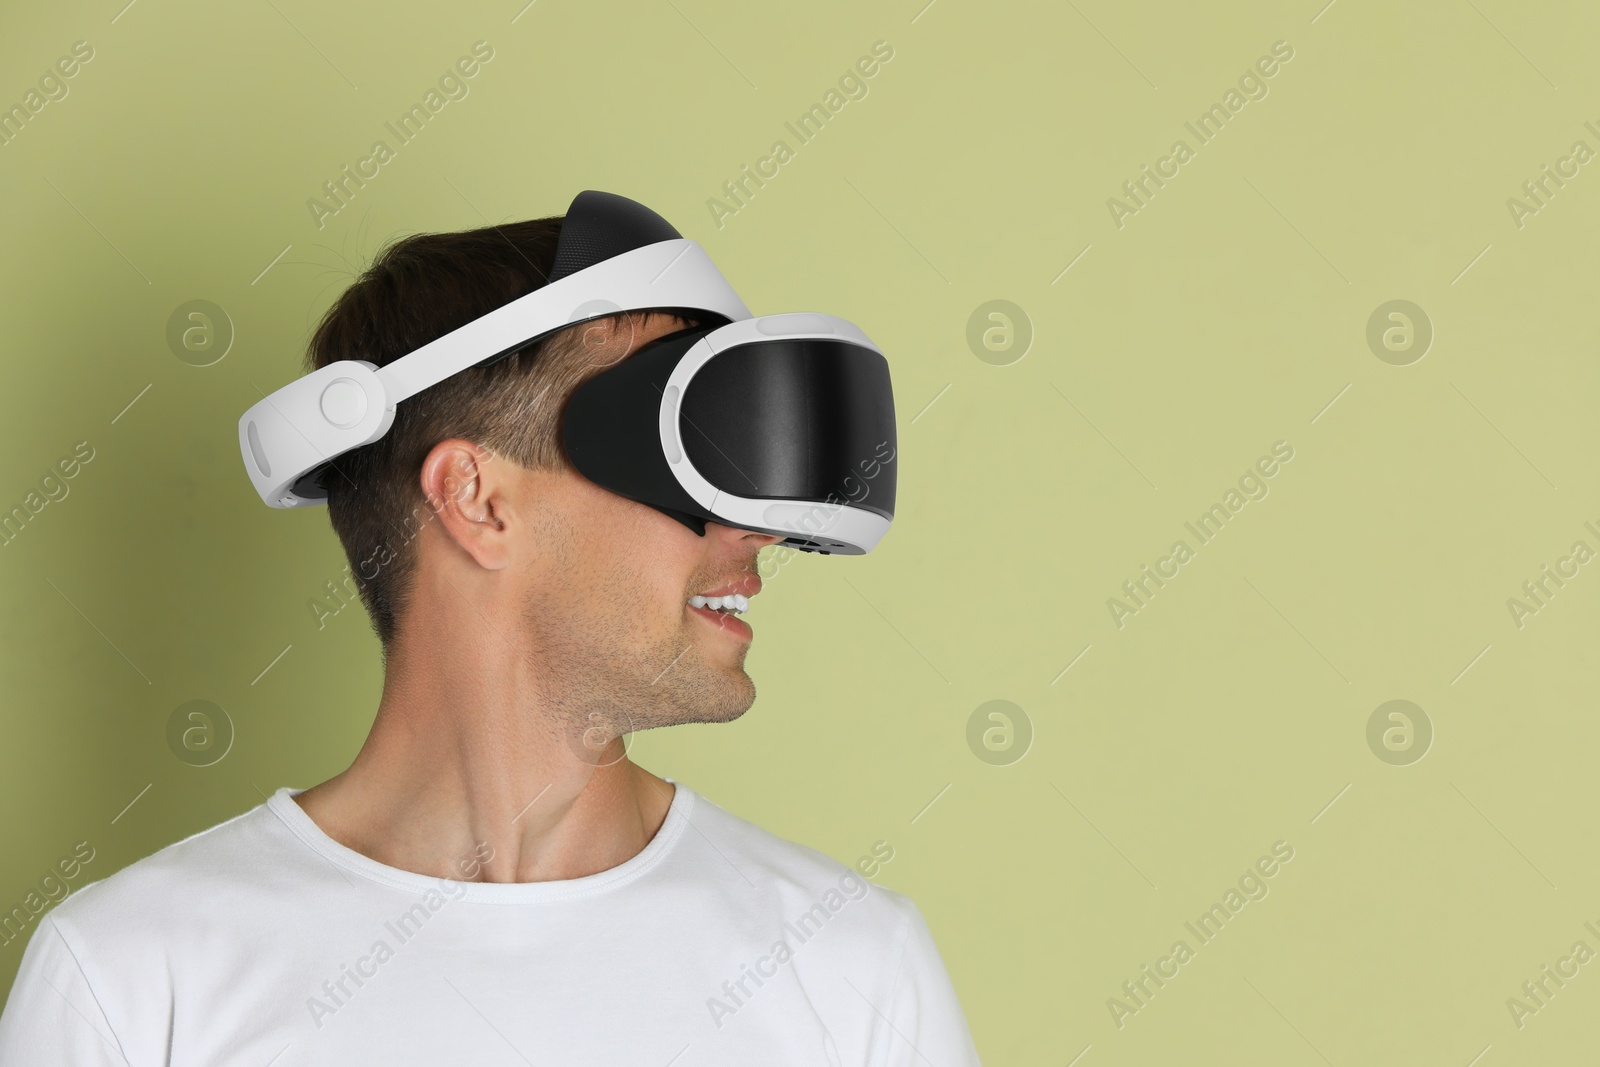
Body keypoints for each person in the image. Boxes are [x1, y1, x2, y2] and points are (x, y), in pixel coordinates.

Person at [0, 209, 982, 1064]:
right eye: (695, 452)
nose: (753, 527)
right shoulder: (135, 978)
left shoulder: (847, 962)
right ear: (476, 498)